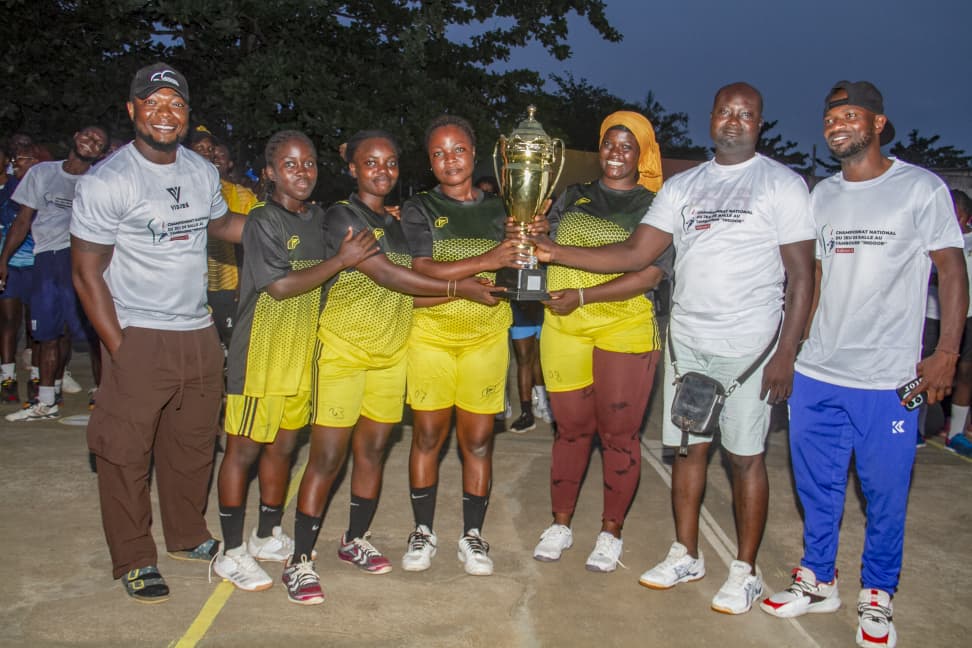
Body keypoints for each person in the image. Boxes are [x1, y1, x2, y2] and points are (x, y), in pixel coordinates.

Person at [533, 83, 815, 613]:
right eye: (725, 112)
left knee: (745, 458)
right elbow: (636, 252)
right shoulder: (683, 187)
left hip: (751, 346)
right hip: (688, 342)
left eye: (745, 114)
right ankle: (687, 553)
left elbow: (802, 277)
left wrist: (787, 352)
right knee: (687, 451)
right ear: (711, 118)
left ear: (759, 123)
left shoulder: (782, 184)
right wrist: (554, 251)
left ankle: (745, 570)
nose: (734, 121)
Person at [759, 81, 968, 648]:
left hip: (888, 379)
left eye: (851, 116)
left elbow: (951, 270)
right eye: (831, 118)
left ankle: (877, 593)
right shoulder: (820, 195)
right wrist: (790, 351)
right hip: (818, 372)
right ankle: (818, 578)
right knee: (817, 487)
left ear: (877, 124)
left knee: (885, 494)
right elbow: (812, 277)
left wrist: (947, 352)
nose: (837, 126)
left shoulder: (920, 188)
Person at [285, 129, 505, 604]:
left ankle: (354, 539)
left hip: (389, 355)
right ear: (352, 168)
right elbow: (388, 275)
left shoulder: (399, 221)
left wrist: (469, 291)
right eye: (370, 162)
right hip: (344, 351)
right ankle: (299, 560)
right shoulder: (342, 216)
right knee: (327, 458)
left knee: (372, 453)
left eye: (389, 162)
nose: (381, 171)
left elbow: (411, 293)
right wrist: (460, 289)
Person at [71, 63, 247, 603]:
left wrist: (288, 227)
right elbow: (86, 273)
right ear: (133, 110)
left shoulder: (200, 170)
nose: (165, 114)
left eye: (175, 104)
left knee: (192, 445)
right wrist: (119, 348)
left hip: (198, 329)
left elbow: (221, 225)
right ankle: (134, 557)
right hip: (138, 331)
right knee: (125, 452)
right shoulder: (108, 180)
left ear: (188, 113)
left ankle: (187, 535)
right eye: (153, 103)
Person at [212, 130, 377, 592]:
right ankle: (231, 552)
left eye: (308, 163)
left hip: (301, 352)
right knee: (242, 451)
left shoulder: (319, 219)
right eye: (289, 164)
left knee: (283, 448)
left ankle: (266, 535)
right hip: (260, 354)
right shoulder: (262, 220)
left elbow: (352, 245)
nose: (302, 172)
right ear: (269, 172)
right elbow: (280, 286)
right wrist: (341, 261)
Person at [531, 111, 672, 572]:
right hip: (564, 326)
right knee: (570, 430)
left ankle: (611, 532)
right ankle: (560, 523)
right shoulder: (573, 195)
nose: (616, 153)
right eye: (609, 143)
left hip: (624, 327)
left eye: (627, 146)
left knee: (618, 435)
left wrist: (583, 295)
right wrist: (532, 231)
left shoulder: (657, 205)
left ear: (642, 154)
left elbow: (649, 274)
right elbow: (542, 247)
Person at [399, 115, 522, 577]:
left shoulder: (504, 208)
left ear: (474, 154)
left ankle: (472, 534)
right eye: (438, 153)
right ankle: (423, 530)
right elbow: (422, 269)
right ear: (429, 162)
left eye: (458, 150)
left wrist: (530, 239)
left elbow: (518, 262)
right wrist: (489, 259)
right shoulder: (420, 207)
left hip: (486, 337)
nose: (449, 160)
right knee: (428, 437)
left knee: (478, 441)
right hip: (430, 336)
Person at [1, 125, 108, 421]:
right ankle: (46, 401)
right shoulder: (42, 173)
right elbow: (22, 221)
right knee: (48, 333)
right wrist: (4, 259)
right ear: (75, 136)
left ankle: (103, 397)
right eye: (88, 135)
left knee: (93, 333)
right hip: (47, 260)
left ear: (101, 153)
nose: (91, 142)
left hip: (83, 258)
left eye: (99, 142)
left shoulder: (101, 180)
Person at [0, 143, 35, 403]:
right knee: (8, 321)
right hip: (7, 264)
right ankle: (7, 378)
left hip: (35, 262)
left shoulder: (21, 185)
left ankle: (37, 376)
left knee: (36, 324)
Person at [507, 300, 549, 433]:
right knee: (524, 359)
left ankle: (543, 404)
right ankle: (526, 413)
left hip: (546, 307)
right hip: (521, 308)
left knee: (542, 357)